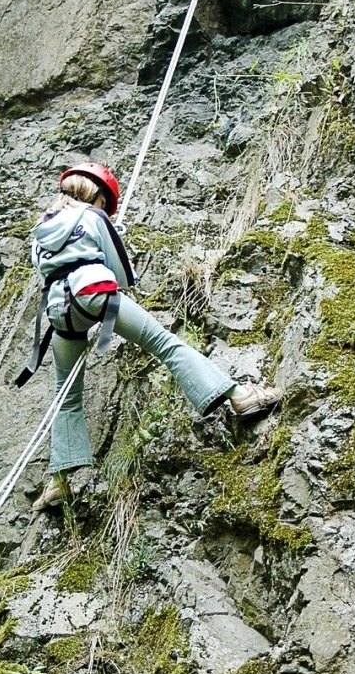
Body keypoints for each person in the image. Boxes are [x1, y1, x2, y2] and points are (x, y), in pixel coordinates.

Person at [21, 162, 282, 511]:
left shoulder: (41, 230)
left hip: (58, 310)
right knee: (165, 344)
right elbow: (122, 274)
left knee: (65, 395)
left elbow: (49, 270)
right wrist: (111, 236)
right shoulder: (94, 219)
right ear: (98, 196)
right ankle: (239, 395)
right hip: (93, 291)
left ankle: (58, 482)